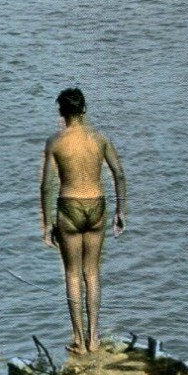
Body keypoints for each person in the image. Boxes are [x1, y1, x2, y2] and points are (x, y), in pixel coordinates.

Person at [40, 87, 127, 355]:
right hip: (97, 205)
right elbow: (119, 175)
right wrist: (120, 211)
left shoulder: (56, 141)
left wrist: (47, 222)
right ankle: (94, 337)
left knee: (72, 274)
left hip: (69, 206)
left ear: (61, 112)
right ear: (84, 109)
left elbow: (46, 186)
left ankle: (78, 339)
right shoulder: (100, 139)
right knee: (92, 273)